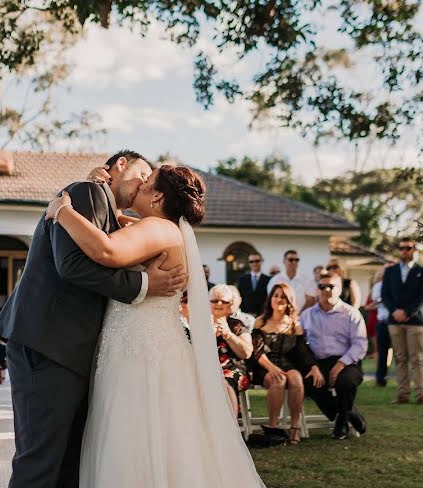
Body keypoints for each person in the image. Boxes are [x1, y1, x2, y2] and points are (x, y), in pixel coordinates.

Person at [42, 162, 266, 487]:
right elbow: (117, 226)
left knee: (134, 437)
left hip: (141, 352)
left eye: (148, 182)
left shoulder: (158, 229)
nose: (142, 183)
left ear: (158, 197)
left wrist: (61, 211)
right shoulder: (161, 229)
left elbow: (105, 249)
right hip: (146, 344)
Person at [0, 151, 193, 488]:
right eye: (142, 172)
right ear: (120, 165)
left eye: (150, 180)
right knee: (40, 462)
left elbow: (106, 241)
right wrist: (144, 283)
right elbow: (72, 265)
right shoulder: (87, 192)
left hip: (73, 352)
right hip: (49, 345)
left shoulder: (118, 216)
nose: (145, 182)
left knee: (69, 463)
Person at [250, 283, 324, 445]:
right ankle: (273, 428)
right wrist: (272, 368)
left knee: (297, 379)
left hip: (287, 364)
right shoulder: (260, 322)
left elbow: (303, 352)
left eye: (283, 296)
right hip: (264, 366)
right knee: (279, 380)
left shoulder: (294, 325)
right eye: (276, 295)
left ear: (289, 300)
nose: (279, 299)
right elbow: (257, 352)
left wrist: (314, 367)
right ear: (270, 299)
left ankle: (294, 427)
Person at [300, 272, 368, 440]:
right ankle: (349, 413)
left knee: (345, 383)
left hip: (347, 362)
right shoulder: (307, 315)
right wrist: (313, 366)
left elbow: (360, 344)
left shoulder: (351, 314)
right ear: (317, 290)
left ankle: (342, 424)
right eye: (322, 286)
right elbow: (300, 344)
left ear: (339, 290)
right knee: (310, 383)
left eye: (331, 286)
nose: (326, 290)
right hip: (318, 363)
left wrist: (340, 364)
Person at [381, 237, 423, 405]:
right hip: (394, 321)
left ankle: (421, 394)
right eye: (401, 248)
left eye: (408, 248)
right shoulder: (390, 271)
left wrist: (407, 312)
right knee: (400, 358)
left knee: (417, 359)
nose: (404, 251)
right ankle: (402, 394)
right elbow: (385, 295)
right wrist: (395, 312)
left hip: (415, 321)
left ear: (414, 251)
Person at [209, 284, 254, 416]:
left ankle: (231, 429)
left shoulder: (237, 325)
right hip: (206, 368)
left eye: (224, 301)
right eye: (214, 300)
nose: (219, 303)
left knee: (224, 381)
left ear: (230, 304)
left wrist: (228, 335)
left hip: (233, 369)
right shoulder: (199, 324)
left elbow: (246, 353)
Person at [365, 267, 392, 386]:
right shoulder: (377, 286)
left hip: (394, 320)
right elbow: (377, 301)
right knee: (381, 351)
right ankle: (381, 378)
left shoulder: (394, 284)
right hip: (381, 320)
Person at [236, 251, 270, 315]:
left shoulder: (268, 280)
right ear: (249, 263)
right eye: (251, 261)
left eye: (257, 261)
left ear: (261, 262)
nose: (254, 263)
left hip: (263, 316)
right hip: (245, 316)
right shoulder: (242, 279)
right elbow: (239, 297)